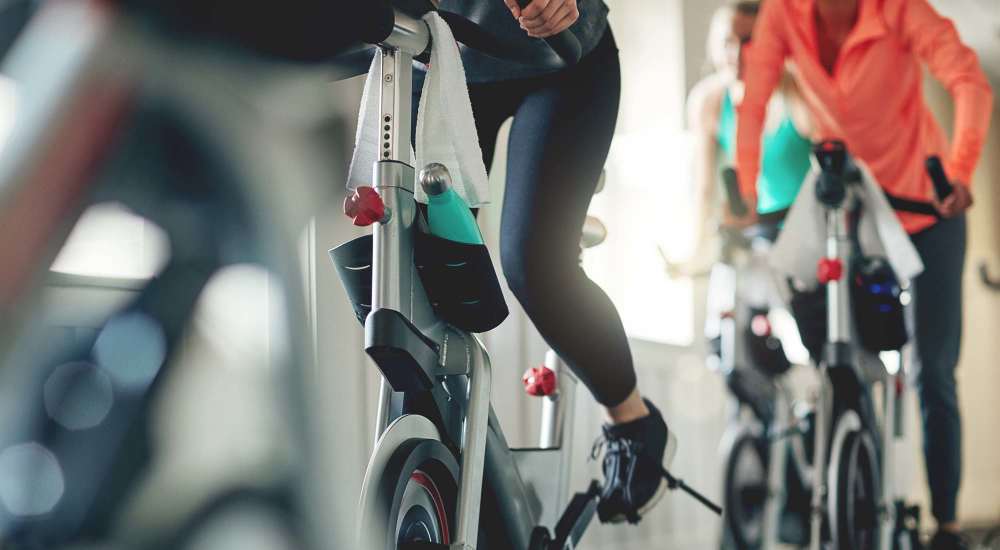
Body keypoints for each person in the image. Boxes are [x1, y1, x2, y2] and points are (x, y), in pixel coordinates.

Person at [733, 1, 994, 548]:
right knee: (835, 350)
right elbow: (753, 100)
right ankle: (852, 474)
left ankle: (945, 525)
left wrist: (961, 167)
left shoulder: (897, 10)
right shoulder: (785, 14)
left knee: (933, 370)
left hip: (926, 208)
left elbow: (967, 78)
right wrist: (747, 190)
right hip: (853, 208)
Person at [412, 0, 675, 523]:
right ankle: (445, 441)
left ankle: (633, 422)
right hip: (443, 53)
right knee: (421, 262)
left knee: (534, 262)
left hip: (563, 57)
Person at [686, 0, 813, 268]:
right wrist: (698, 250)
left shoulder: (794, 91)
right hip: (751, 233)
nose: (737, 53)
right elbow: (704, 187)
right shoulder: (710, 100)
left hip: (803, 229)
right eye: (728, 42)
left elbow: (819, 135)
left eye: (749, 41)